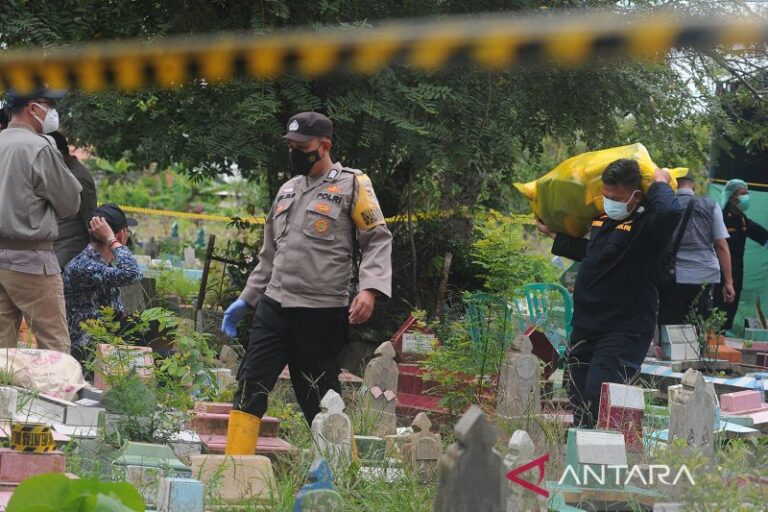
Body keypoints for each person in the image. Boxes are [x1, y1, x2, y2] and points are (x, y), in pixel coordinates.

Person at [220, 112, 393, 454]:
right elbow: (269, 254)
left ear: (324, 146)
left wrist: (369, 289)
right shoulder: (287, 190)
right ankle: (234, 467)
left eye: (302, 146)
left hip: (320, 311)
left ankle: (341, 470)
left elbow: (377, 239)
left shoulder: (353, 185)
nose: (294, 152)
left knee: (320, 396)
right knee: (250, 384)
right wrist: (247, 298)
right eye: (290, 145)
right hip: (274, 305)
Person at [537, 160, 680, 428]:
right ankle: (580, 445)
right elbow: (594, 253)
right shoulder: (604, 219)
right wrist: (554, 235)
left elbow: (670, 212)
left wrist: (659, 182)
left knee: (600, 393)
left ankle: (606, 448)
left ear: (636, 195)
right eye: (606, 195)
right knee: (577, 391)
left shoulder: (650, 225)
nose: (609, 202)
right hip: (587, 324)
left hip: (623, 328)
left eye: (616, 198)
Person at [0, 88, 82, 352]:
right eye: (50, 105)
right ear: (33, 108)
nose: (53, 112)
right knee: (54, 345)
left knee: (2, 349)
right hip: (31, 260)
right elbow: (70, 204)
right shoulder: (39, 147)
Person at [62, 204, 142, 365]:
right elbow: (133, 274)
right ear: (121, 235)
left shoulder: (97, 262)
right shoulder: (84, 265)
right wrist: (112, 240)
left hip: (104, 342)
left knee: (159, 328)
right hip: (88, 353)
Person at [657, 173, 735, 326]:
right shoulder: (711, 205)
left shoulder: (666, 204)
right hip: (704, 276)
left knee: (670, 325)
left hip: (673, 276)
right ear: (693, 185)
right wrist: (729, 282)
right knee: (696, 323)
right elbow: (721, 244)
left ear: (673, 184)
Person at [713, 179, 768, 331]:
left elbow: (761, 234)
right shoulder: (721, 217)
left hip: (737, 272)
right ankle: (715, 337)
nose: (746, 197)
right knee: (718, 309)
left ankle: (723, 336)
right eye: (743, 194)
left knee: (731, 310)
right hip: (720, 273)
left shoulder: (742, 219)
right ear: (731, 197)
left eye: (747, 193)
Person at [51, 131, 98, 269]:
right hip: (56, 243)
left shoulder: (77, 177)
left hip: (68, 246)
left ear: (58, 154)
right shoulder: (61, 171)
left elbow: (89, 215)